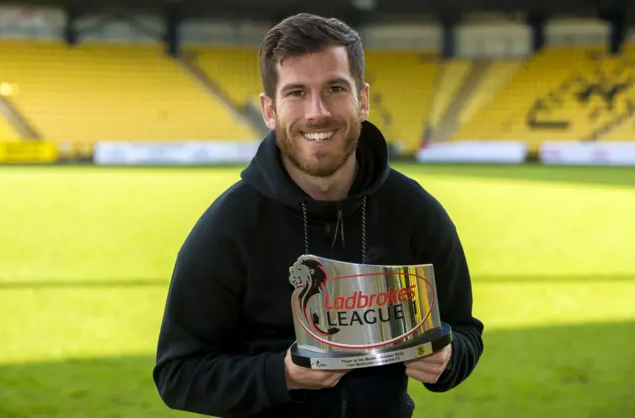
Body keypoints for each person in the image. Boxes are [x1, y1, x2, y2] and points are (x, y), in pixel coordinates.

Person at [153, 12, 484, 418]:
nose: (317, 112)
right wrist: (283, 374)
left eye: (334, 88)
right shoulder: (228, 228)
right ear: (269, 110)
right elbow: (178, 374)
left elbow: (465, 331)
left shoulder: (414, 211)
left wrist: (447, 358)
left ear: (362, 100)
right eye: (296, 93)